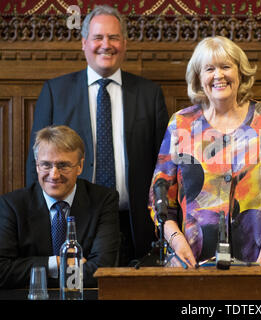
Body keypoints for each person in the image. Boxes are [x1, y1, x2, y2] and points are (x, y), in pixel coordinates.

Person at [25, 5, 169, 266]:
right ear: (84, 43)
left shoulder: (150, 95)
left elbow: (164, 166)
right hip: (74, 222)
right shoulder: (55, 92)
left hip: (134, 226)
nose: (106, 45)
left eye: (114, 37)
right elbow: (35, 166)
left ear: (124, 43)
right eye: (98, 37)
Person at [148, 36, 261, 268]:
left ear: (240, 72)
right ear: (199, 78)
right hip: (193, 262)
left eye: (226, 67)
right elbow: (158, 199)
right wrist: (177, 243)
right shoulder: (181, 124)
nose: (218, 75)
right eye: (209, 69)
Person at [0, 125, 119, 288]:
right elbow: (2, 271)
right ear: (36, 165)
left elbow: (102, 270)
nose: (54, 175)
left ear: (80, 166)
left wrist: (35, 272)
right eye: (46, 165)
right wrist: (55, 263)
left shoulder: (103, 200)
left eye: (63, 165)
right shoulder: (12, 205)